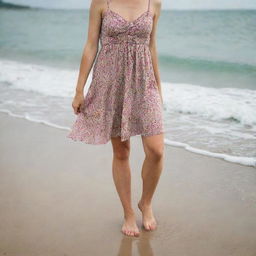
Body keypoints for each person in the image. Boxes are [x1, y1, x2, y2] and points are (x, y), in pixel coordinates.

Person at [67, 0, 164, 237]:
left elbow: (152, 46)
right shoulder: (101, 2)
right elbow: (91, 46)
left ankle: (146, 203)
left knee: (156, 151)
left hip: (144, 82)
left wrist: (159, 88)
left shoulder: (155, 3)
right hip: (110, 83)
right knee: (122, 152)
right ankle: (129, 212)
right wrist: (79, 89)